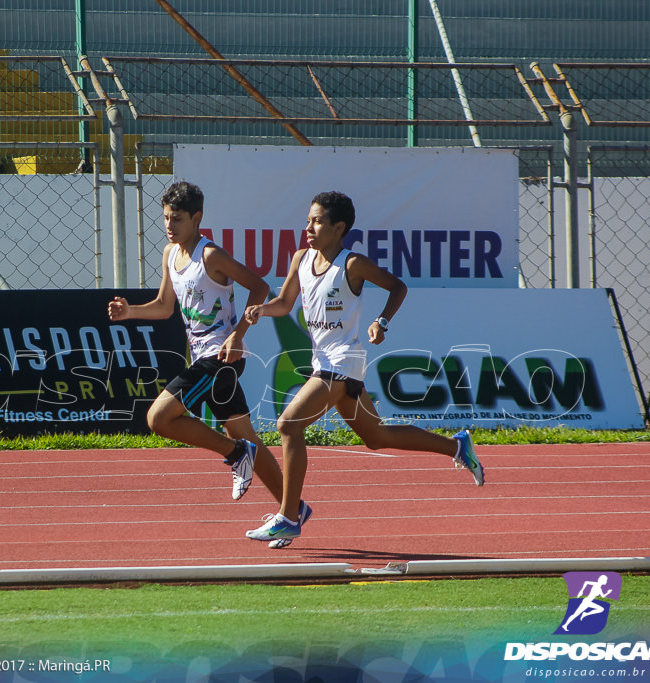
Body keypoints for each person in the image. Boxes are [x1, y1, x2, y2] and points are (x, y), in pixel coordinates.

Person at [243, 190, 484, 545]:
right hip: (322, 363)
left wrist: (381, 322)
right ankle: (456, 447)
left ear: (339, 228)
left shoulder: (353, 264)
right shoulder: (300, 259)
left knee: (288, 424)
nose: (308, 227)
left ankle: (289, 515)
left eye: (317, 221)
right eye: (308, 219)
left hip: (344, 362)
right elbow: (284, 302)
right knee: (376, 437)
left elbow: (397, 287)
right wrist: (263, 310)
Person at [107, 181, 289, 508]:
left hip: (221, 358)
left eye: (176, 219)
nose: (168, 226)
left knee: (159, 419)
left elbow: (259, 287)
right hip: (207, 360)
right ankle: (291, 511)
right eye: (165, 218)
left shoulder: (211, 255)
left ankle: (236, 454)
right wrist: (130, 311)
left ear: (196, 218)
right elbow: (164, 306)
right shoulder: (169, 254)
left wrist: (238, 335)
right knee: (248, 437)